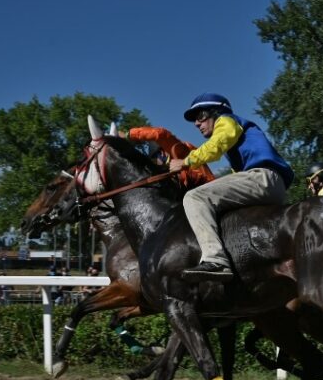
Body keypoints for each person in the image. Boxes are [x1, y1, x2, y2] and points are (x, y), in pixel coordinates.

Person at [168, 93, 294, 282]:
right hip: (273, 185)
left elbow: (215, 146)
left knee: (195, 198)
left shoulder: (226, 121)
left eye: (200, 116)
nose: (196, 123)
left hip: (262, 178)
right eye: (195, 120)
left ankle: (216, 260)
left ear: (217, 112)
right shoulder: (238, 141)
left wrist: (185, 162)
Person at [120, 125, 216, 191]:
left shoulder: (181, 150)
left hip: (210, 189)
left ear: (161, 153)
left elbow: (160, 133)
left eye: (154, 158)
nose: (155, 163)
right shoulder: (166, 167)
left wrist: (129, 134)